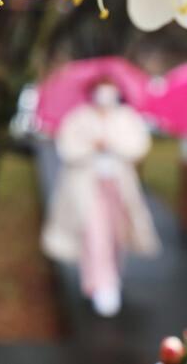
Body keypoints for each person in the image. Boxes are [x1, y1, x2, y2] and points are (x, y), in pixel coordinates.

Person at [40, 79, 160, 317]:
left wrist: (113, 143)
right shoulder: (79, 117)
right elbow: (67, 148)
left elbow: (138, 146)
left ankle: (111, 275)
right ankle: (99, 284)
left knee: (116, 233)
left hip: (118, 185)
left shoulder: (126, 117)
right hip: (87, 185)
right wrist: (91, 145)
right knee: (94, 234)